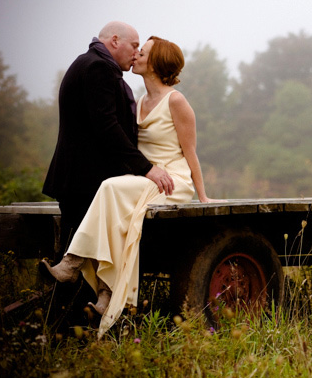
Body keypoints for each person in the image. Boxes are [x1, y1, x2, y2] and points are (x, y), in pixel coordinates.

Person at [41, 35, 214, 337]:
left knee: (110, 188)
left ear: (156, 62)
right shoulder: (139, 100)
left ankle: (71, 264)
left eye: (142, 52)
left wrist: (202, 196)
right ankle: (107, 290)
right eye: (136, 50)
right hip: (145, 179)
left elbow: (190, 153)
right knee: (118, 212)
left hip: (172, 180)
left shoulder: (176, 100)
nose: (135, 55)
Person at [43, 21, 175, 253]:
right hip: (85, 181)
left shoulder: (87, 62)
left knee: (80, 251)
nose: (135, 54)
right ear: (115, 41)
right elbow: (108, 127)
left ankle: (71, 286)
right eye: (134, 46)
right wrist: (146, 168)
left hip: (80, 178)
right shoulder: (98, 68)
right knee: (83, 255)